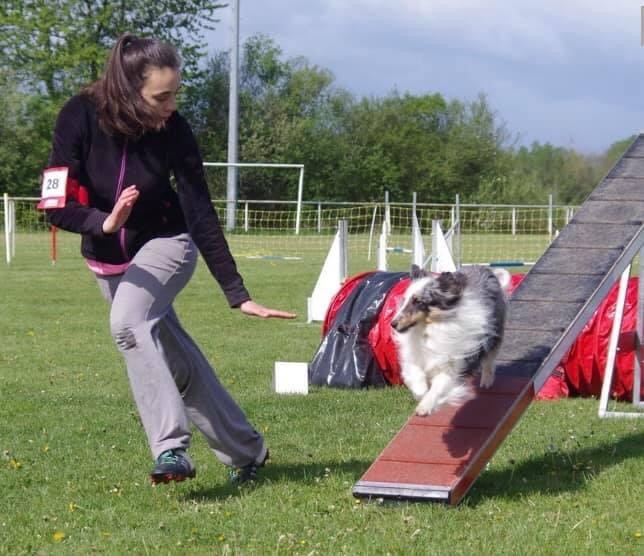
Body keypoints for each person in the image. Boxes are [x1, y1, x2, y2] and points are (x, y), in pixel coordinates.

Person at [44, 33, 296, 485]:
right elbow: (55, 203)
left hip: (167, 243)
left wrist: (237, 293)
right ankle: (248, 451)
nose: (172, 105)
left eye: (176, 93)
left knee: (128, 325)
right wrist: (103, 223)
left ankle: (170, 448)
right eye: (162, 96)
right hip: (106, 257)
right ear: (126, 90)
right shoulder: (77, 115)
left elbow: (199, 209)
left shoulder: (174, 129)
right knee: (176, 361)